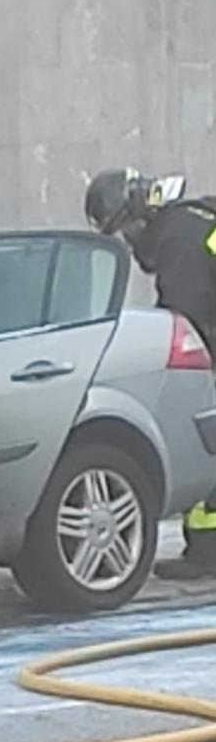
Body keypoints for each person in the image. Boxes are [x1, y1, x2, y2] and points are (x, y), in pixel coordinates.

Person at [84, 167, 216, 579]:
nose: (128, 242)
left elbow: (188, 318)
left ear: (140, 215)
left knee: (201, 435)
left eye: (126, 231)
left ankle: (207, 555)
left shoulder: (179, 242)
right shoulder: (194, 217)